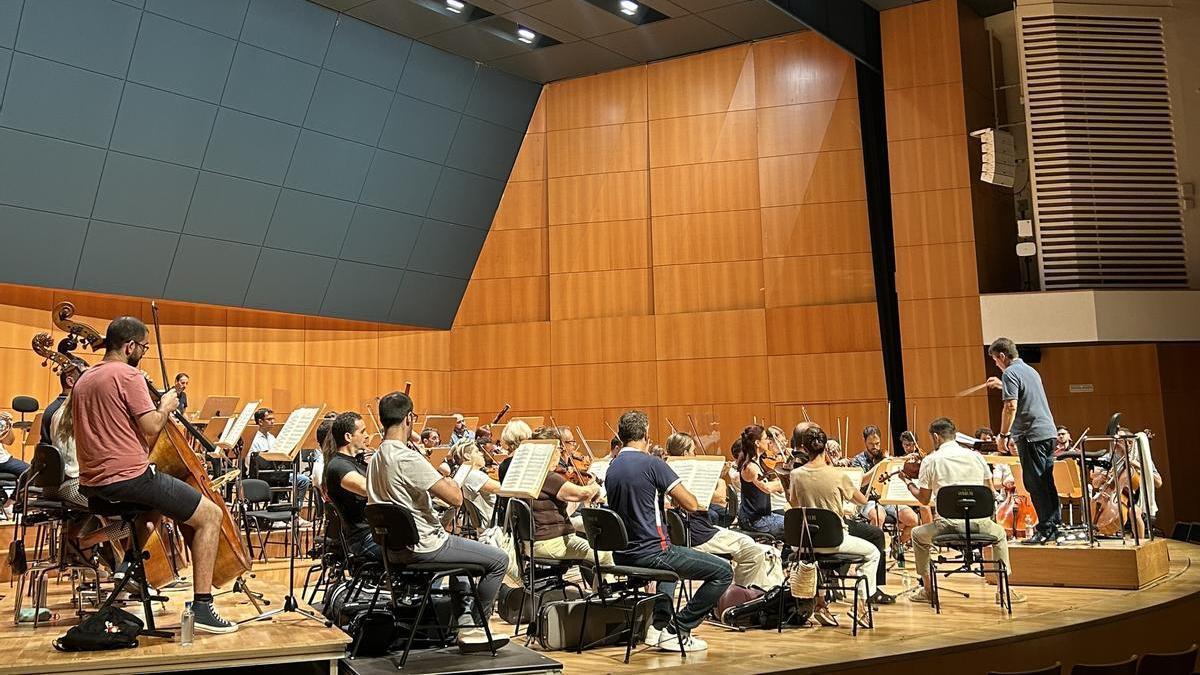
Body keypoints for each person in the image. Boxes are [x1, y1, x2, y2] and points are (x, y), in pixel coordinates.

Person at [72, 316, 236, 633]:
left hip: (92, 484)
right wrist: (165, 404)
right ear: (130, 345)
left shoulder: (85, 379)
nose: (144, 352)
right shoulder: (127, 375)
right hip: (129, 477)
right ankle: (203, 607)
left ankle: (127, 568)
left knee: (157, 502)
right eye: (144, 347)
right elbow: (151, 426)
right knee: (211, 515)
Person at [367, 391, 509, 653]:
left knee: (464, 558)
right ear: (409, 418)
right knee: (499, 559)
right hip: (425, 545)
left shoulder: (375, 458)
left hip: (392, 549)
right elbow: (455, 498)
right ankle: (478, 630)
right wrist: (464, 471)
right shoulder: (407, 457)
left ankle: (464, 624)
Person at [605, 410, 731, 652]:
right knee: (723, 572)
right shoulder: (653, 463)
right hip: (653, 553)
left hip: (623, 554)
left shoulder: (613, 466)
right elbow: (692, 504)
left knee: (672, 567)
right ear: (645, 434)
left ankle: (659, 627)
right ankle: (678, 629)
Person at [904, 417, 1023, 605]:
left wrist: (908, 483)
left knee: (918, 535)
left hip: (947, 527)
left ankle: (928, 590)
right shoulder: (976, 456)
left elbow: (924, 499)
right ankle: (1003, 590)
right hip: (980, 525)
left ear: (935, 437)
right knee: (999, 533)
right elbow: (990, 492)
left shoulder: (931, 460)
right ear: (954, 435)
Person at [787, 424, 884, 621]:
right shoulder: (838, 474)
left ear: (805, 449)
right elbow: (862, 501)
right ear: (825, 448)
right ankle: (862, 606)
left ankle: (821, 605)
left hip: (805, 543)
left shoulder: (795, 475)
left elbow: (794, 503)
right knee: (873, 552)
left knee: (819, 556)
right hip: (834, 540)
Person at [665, 433, 776, 588]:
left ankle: (744, 595)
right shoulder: (687, 479)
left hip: (687, 534)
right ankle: (738, 598)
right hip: (699, 535)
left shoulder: (664, 475)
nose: (694, 455)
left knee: (758, 548)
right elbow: (720, 497)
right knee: (754, 551)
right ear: (685, 454)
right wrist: (718, 478)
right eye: (692, 451)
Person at [986, 337, 1062, 544]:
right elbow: (1024, 394)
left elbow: (1011, 406)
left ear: (1002, 356)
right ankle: (1055, 527)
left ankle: (1045, 529)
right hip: (1048, 432)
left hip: (1031, 435)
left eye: (995, 360)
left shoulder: (1010, 372)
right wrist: (1002, 385)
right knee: (1046, 481)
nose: (996, 364)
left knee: (1034, 483)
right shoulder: (1030, 371)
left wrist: (1003, 435)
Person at [523, 428, 609, 572]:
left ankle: (599, 589)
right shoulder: (548, 477)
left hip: (533, 542)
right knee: (604, 555)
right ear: (550, 450)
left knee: (590, 550)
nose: (560, 453)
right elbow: (583, 494)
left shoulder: (528, 474)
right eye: (559, 448)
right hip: (551, 542)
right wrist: (594, 485)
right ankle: (606, 594)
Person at [852, 425, 919, 560]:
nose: (875, 447)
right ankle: (875, 555)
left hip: (888, 497)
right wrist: (880, 465)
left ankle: (897, 542)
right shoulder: (858, 460)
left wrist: (905, 460)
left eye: (877, 443)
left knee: (913, 520)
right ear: (865, 442)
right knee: (878, 517)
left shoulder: (886, 456)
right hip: (868, 499)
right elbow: (861, 482)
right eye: (871, 444)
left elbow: (897, 466)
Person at [322, 412, 377, 562]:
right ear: (348, 437)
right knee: (421, 552)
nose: (367, 436)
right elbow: (368, 489)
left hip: (376, 532)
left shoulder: (358, 461)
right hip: (364, 538)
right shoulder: (338, 465)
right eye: (362, 431)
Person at [248, 407, 312, 514]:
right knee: (294, 480)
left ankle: (295, 512)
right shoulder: (253, 439)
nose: (273, 421)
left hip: (278, 474)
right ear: (260, 421)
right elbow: (254, 461)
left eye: (273, 418)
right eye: (269, 419)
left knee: (304, 480)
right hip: (264, 476)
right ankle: (280, 510)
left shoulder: (272, 437)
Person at [736, 425, 786, 538]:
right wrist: (787, 480)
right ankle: (788, 554)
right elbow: (767, 488)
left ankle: (788, 553)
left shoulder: (759, 461)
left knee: (797, 523)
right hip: (754, 520)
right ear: (757, 443)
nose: (769, 441)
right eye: (766, 438)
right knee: (795, 527)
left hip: (765, 515)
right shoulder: (750, 467)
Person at [450, 439, 501, 528]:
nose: (481, 454)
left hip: (485, 524)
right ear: (467, 456)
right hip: (493, 525)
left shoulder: (466, 473)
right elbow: (502, 489)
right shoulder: (474, 475)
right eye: (477, 452)